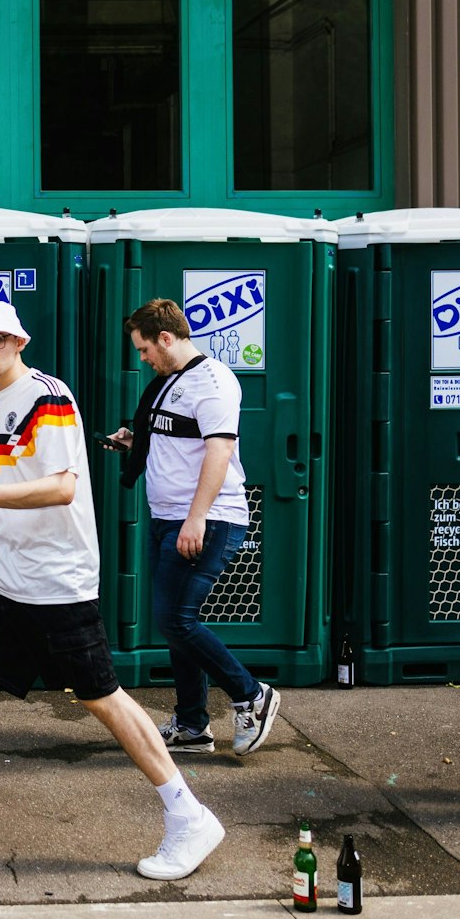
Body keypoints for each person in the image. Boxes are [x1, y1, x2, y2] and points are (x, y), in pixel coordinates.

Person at [0, 301, 225, 881]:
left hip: (56, 580)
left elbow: (60, 488)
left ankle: (191, 817)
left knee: (102, 697)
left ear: (19, 342)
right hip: (9, 573)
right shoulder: (7, 400)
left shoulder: (44, 397)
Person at [107, 300, 280, 757]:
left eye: (145, 349)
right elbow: (173, 436)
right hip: (168, 517)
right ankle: (191, 725)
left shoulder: (213, 381)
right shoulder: (171, 383)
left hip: (207, 517)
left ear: (166, 338)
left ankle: (251, 696)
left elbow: (219, 453)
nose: (142, 358)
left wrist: (197, 517)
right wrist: (133, 441)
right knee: (175, 622)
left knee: (175, 619)